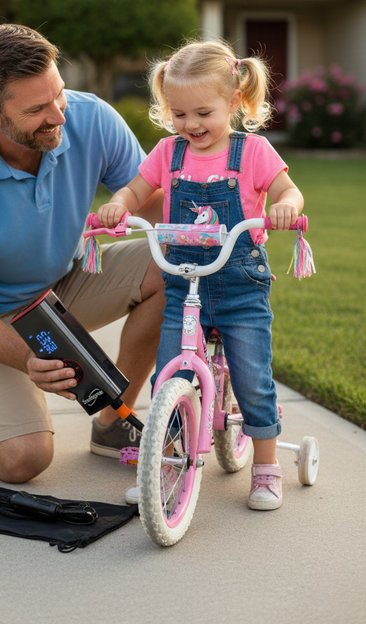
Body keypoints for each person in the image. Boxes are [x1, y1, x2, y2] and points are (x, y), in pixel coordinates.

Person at [0, 24, 165, 483]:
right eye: (37, 109)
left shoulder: (92, 118)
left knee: (173, 270)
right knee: (23, 461)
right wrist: (28, 360)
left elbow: (155, 203)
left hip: (61, 286)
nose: (59, 116)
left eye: (59, 95)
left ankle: (111, 423)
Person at [96, 38, 305, 511]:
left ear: (234, 103)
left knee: (252, 378)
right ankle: (164, 463)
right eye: (179, 113)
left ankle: (266, 468)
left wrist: (285, 208)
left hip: (238, 290)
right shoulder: (168, 153)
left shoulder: (252, 152)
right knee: (170, 373)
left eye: (203, 113)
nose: (190, 125)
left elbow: (288, 190)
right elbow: (135, 189)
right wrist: (117, 206)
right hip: (181, 283)